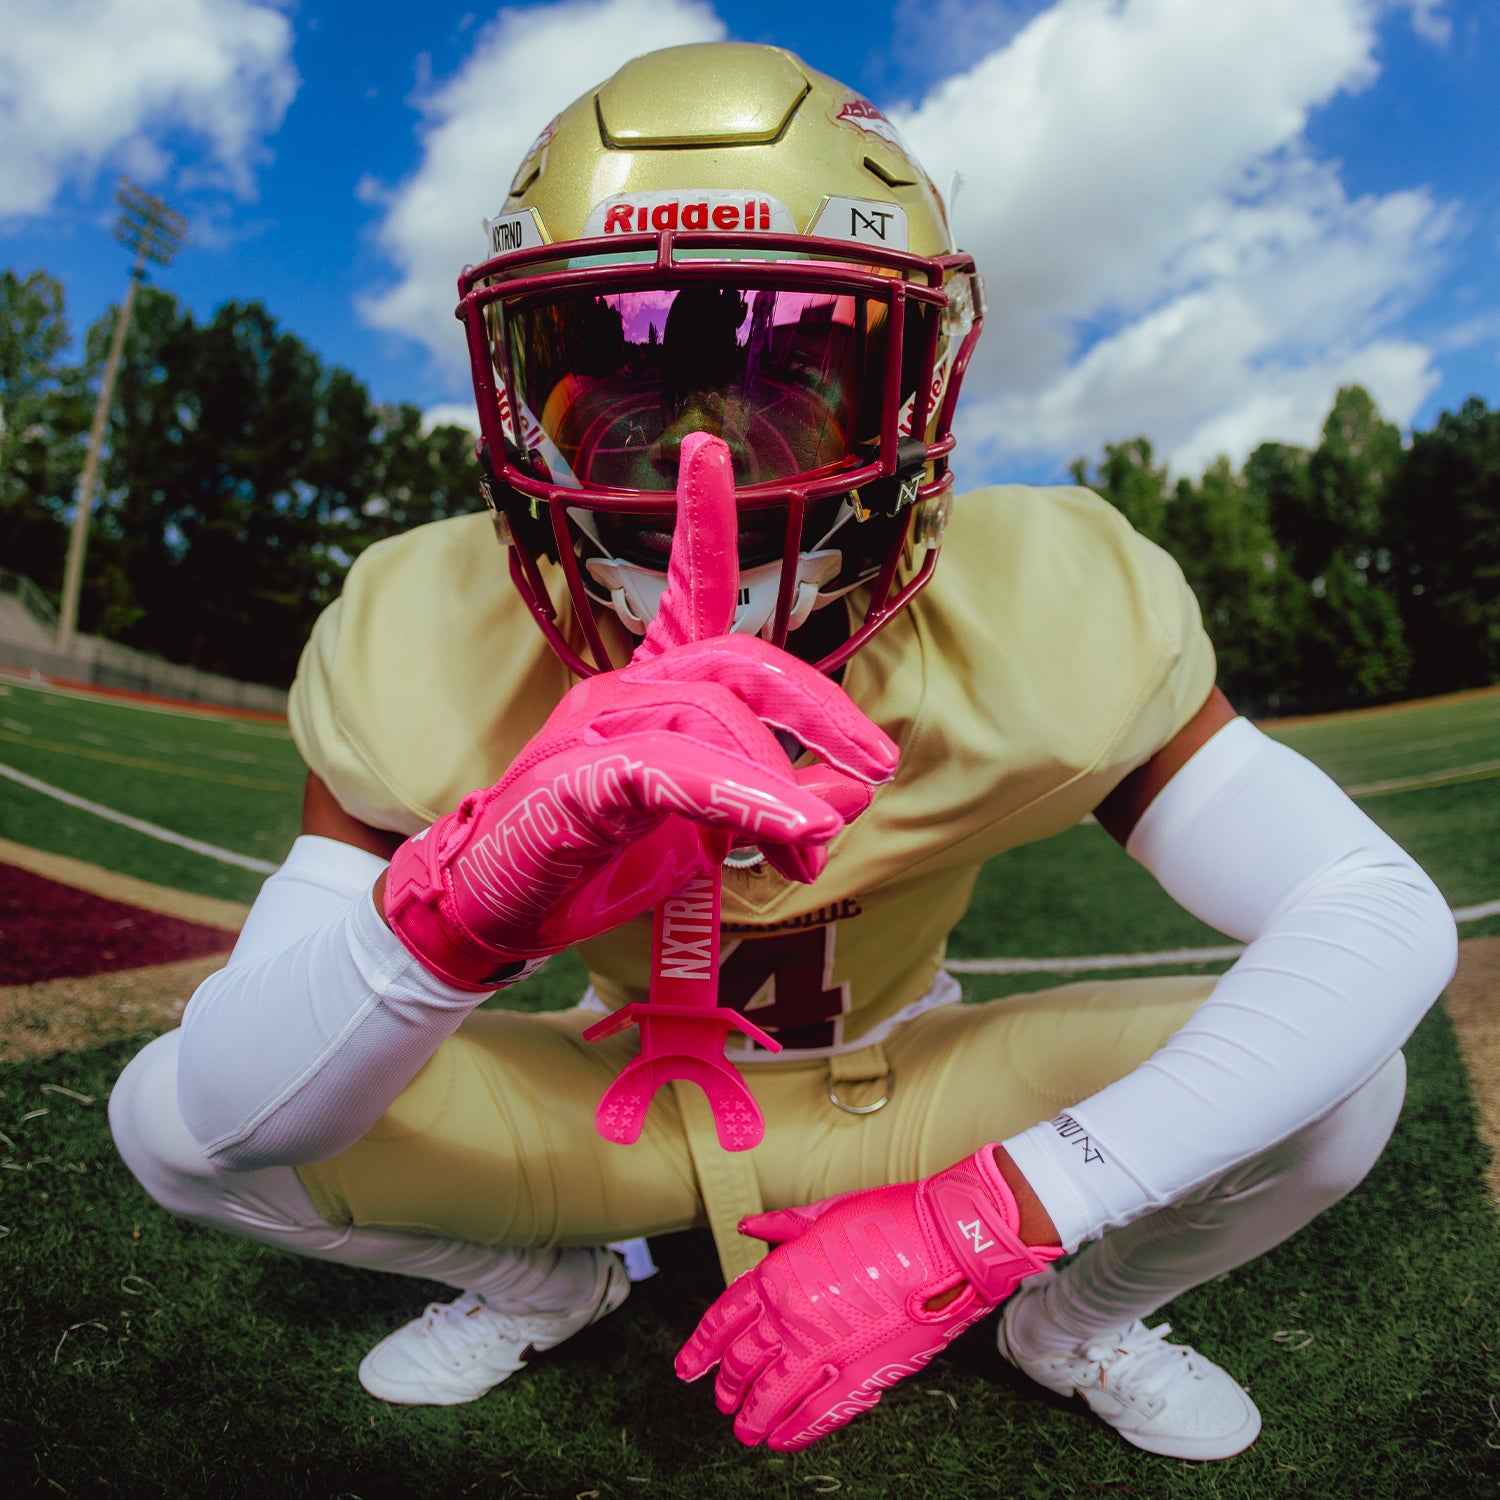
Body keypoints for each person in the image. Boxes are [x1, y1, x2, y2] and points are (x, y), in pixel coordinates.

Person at [108, 40, 1456, 1462]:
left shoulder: (1055, 601)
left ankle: (1070, 1319)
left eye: (792, 377)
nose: (705, 459)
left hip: (909, 1081)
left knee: (1344, 1083)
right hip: (611, 1096)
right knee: (169, 1120)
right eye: (616, 395)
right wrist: (448, 917)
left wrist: (1000, 1210)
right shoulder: (413, 627)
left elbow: (1371, 917)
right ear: (520, 399)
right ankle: (538, 1287)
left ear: (915, 392)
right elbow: (224, 1112)